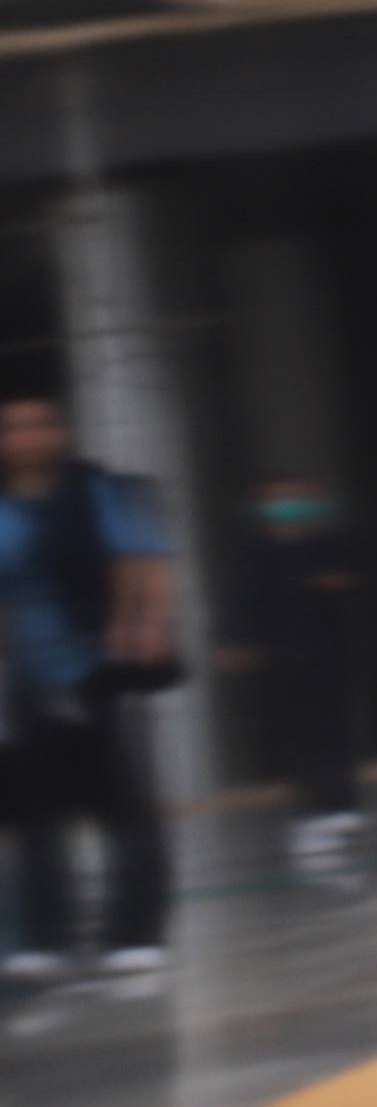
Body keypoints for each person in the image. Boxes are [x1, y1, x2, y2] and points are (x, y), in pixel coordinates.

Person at [0, 397, 174, 980]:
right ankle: (47, 936)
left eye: (37, 425)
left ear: (60, 432)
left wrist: (142, 629)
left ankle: (135, 932)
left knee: (121, 801)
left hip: (100, 663)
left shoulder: (98, 488)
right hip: (28, 675)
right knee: (33, 808)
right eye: (12, 428)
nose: (25, 437)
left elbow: (144, 559)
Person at [228, 478, 366, 854]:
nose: (284, 506)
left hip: (325, 655)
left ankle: (341, 805)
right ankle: (309, 808)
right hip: (280, 657)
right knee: (294, 736)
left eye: (291, 499)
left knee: (332, 732)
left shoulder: (323, 545)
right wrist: (239, 643)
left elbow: (345, 584)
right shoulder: (255, 554)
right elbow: (243, 602)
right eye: (276, 500)